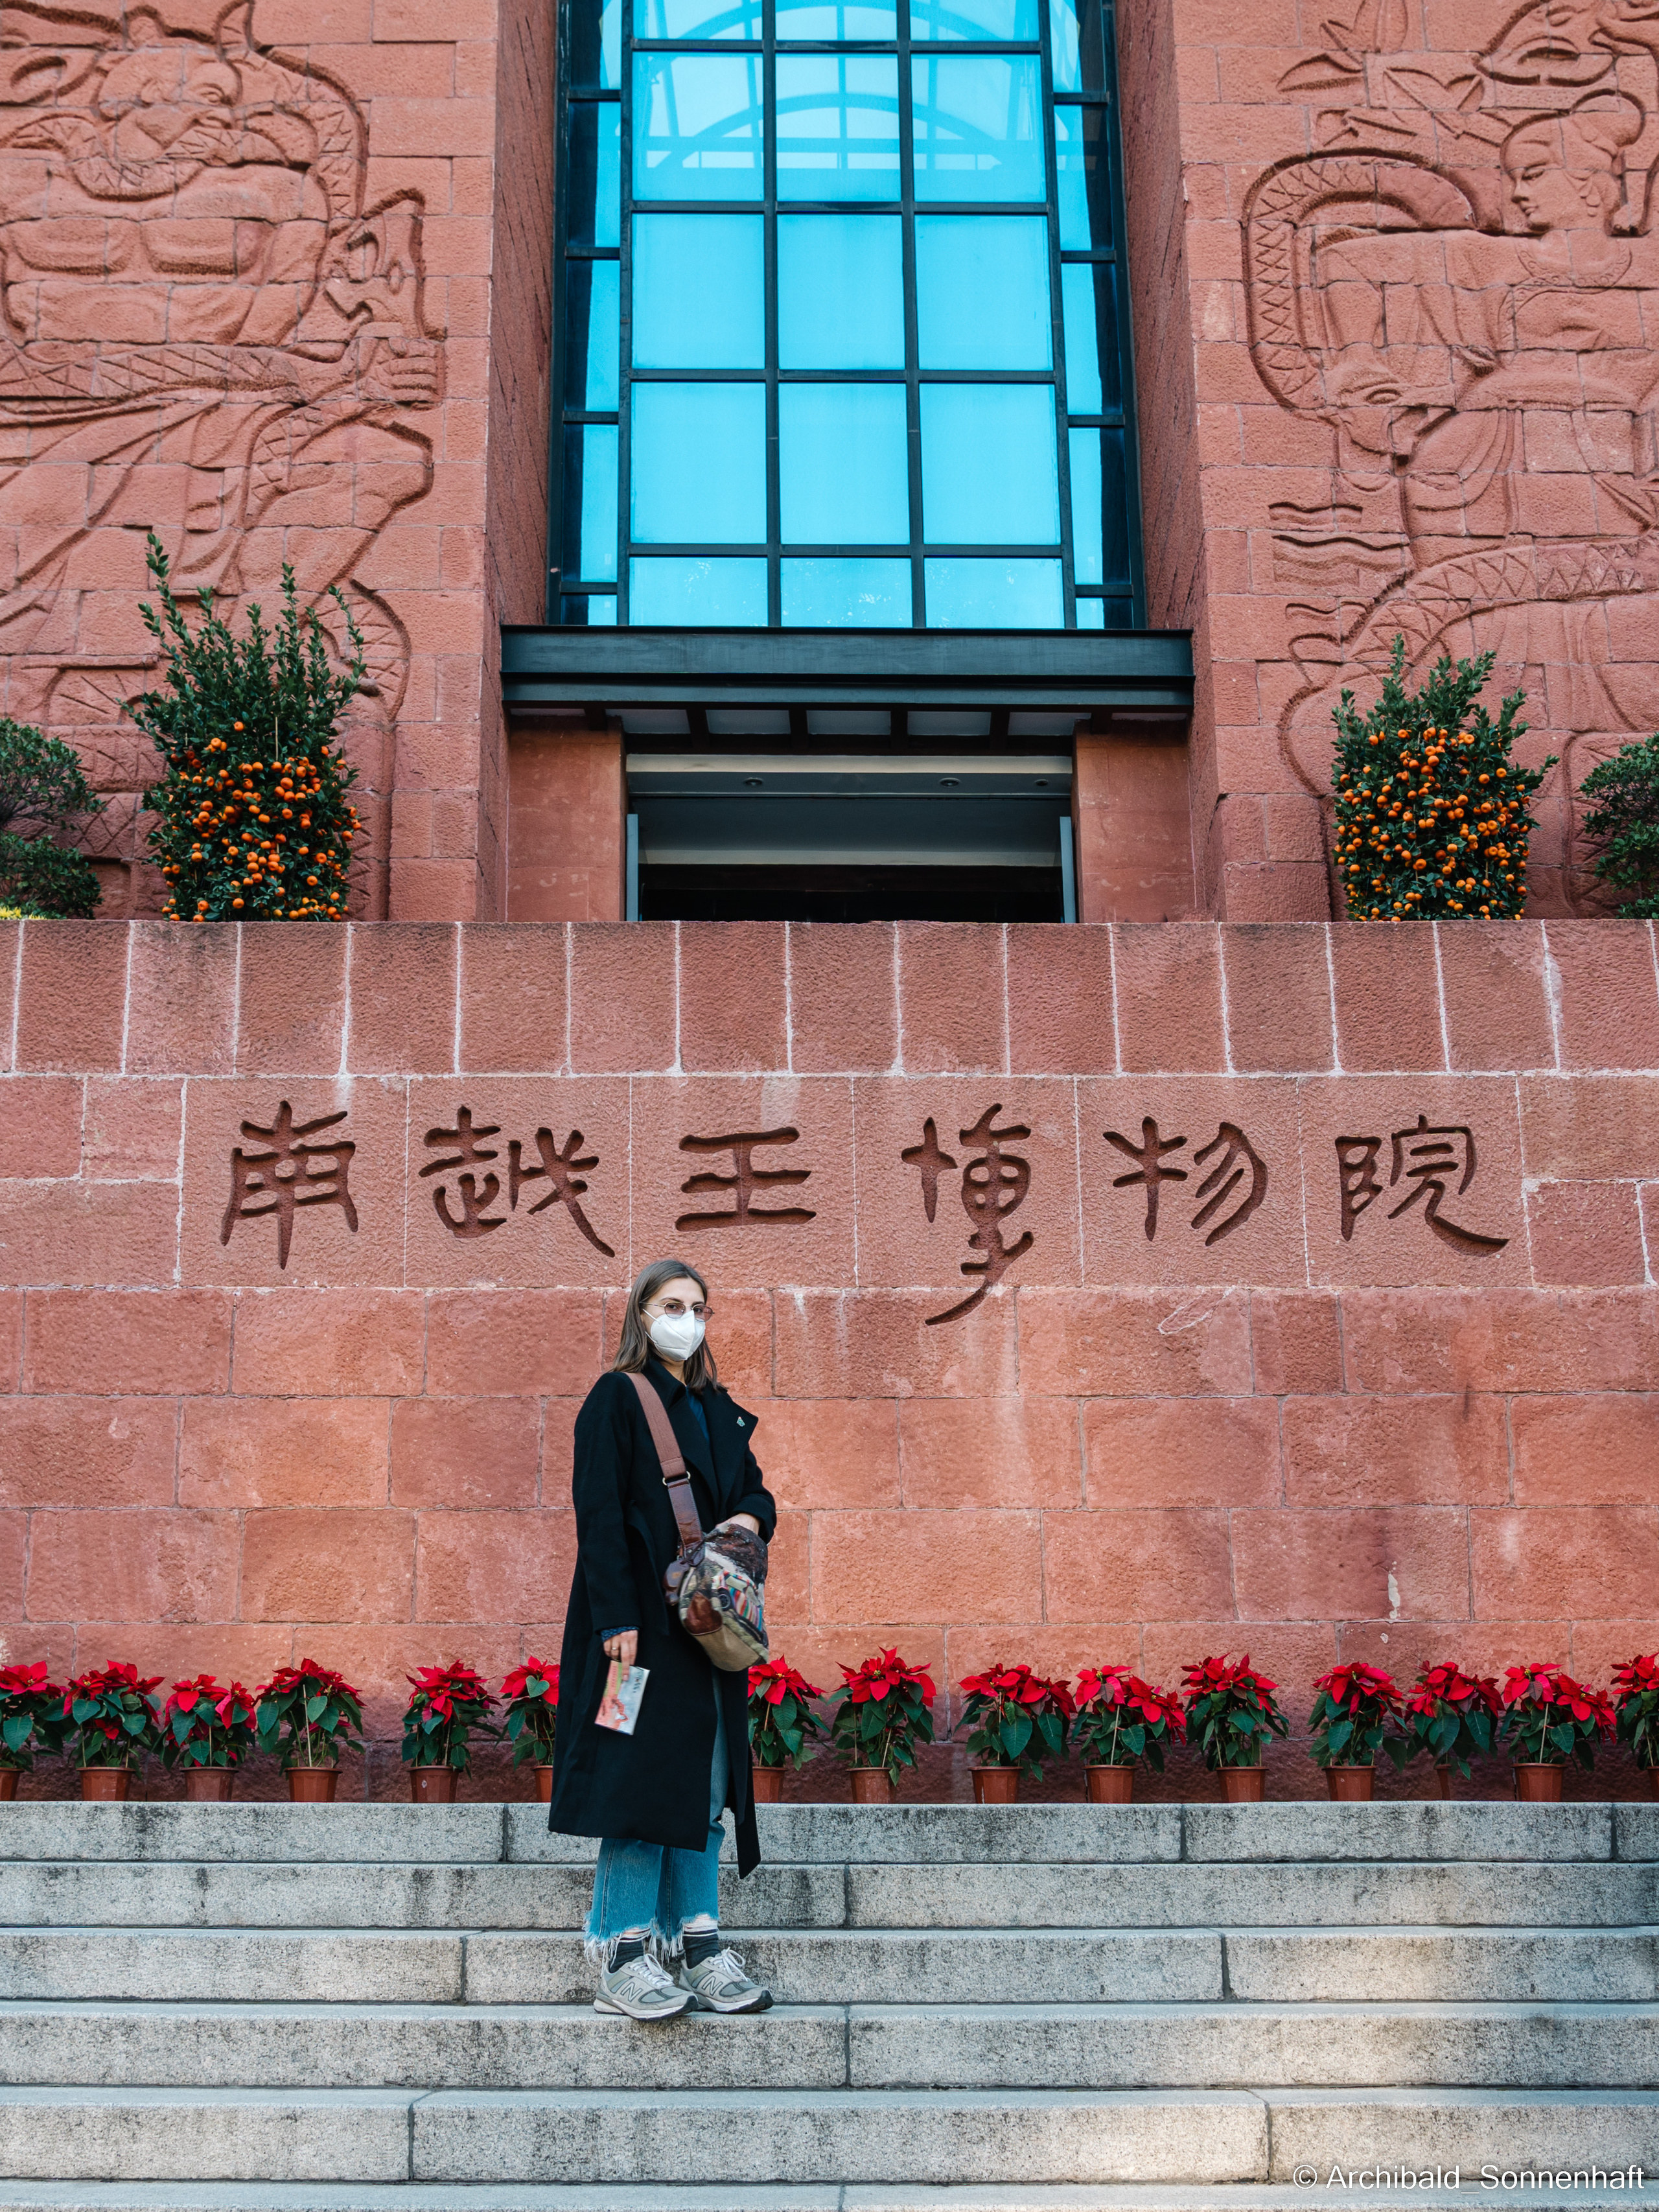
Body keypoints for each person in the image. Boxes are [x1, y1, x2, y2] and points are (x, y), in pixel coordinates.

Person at [549, 1258, 778, 2021]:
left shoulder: (717, 1407)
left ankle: (700, 1945)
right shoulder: (615, 1396)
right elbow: (598, 1517)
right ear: (641, 1313)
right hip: (632, 1634)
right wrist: (615, 1622)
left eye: (700, 1308)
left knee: (706, 1786)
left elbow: (756, 1491)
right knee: (631, 1782)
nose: (689, 1319)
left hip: (706, 1631)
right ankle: (621, 1952)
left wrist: (745, 1518)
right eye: (673, 1304)